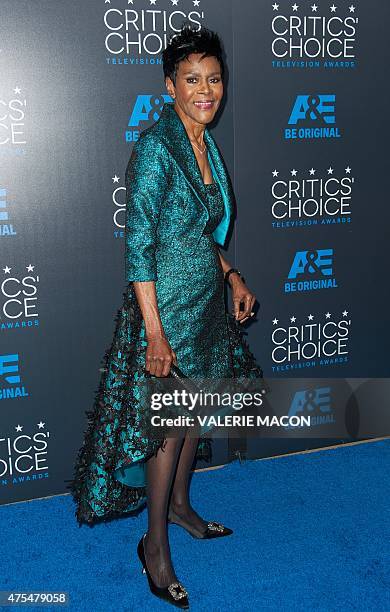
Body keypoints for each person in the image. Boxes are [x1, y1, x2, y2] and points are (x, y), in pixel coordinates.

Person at [68, 22, 268, 609]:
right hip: (167, 314)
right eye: (192, 79)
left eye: (214, 78)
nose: (206, 90)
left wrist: (232, 275)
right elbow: (139, 249)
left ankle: (181, 507)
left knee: (195, 410)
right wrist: (153, 331)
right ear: (170, 86)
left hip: (205, 304)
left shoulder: (206, 144)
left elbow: (204, 234)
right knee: (167, 426)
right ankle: (154, 547)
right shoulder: (157, 148)